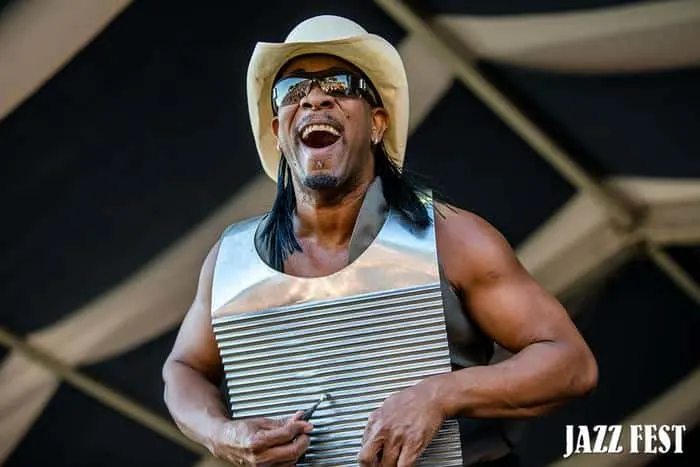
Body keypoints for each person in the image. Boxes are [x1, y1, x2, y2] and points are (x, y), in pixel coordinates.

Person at [162, 15, 598, 467]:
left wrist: (439, 395)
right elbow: (183, 369)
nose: (314, 98)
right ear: (278, 132)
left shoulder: (452, 239)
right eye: (292, 90)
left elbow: (571, 364)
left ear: (376, 123)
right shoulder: (230, 262)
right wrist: (220, 432)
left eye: (339, 84)